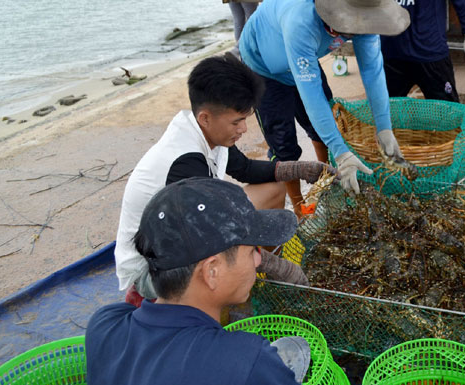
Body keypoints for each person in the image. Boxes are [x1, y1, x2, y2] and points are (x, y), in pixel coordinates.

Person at [116, 55, 326, 304]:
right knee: (228, 263)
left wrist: (301, 169)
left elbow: (245, 169)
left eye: (245, 119)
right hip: (155, 267)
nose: (244, 129)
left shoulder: (209, 132)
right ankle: (224, 292)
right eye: (237, 122)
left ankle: (255, 277)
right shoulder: (184, 161)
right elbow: (207, 234)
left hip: (194, 232)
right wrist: (276, 265)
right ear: (206, 117)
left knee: (273, 188)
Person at [88, 177, 310, 385]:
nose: (259, 259)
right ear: (212, 271)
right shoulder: (247, 363)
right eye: (252, 250)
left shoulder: (104, 326)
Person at [238, 0, 410, 203]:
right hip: (264, 66)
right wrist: (342, 152)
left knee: (324, 126)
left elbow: (373, 71)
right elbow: (311, 94)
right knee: (284, 145)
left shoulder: (366, 17)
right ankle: (299, 207)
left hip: (302, 58)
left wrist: (384, 128)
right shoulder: (302, 21)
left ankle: (327, 183)